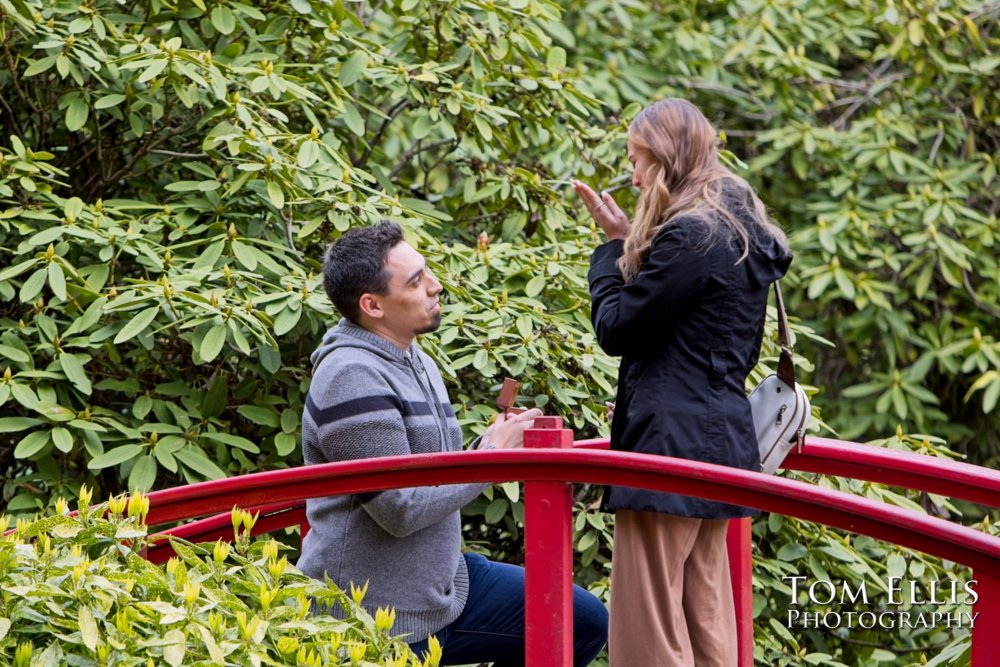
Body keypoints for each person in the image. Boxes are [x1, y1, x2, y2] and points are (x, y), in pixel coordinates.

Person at [297, 221, 608, 666]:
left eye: (426, 271)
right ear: (372, 305)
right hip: (375, 614)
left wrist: (494, 442)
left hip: (442, 587)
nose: (435, 285)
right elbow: (399, 509)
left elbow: (433, 472)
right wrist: (493, 456)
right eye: (416, 281)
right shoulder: (350, 376)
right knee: (572, 623)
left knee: (582, 620)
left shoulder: (413, 356)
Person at [573, 98, 792, 666]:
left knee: (648, 623)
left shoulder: (690, 235)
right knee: (705, 612)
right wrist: (630, 243)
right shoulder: (738, 228)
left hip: (668, 444)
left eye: (639, 160)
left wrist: (609, 252)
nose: (633, 174)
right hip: (721, 443)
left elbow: (618, 327)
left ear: (667, 160)